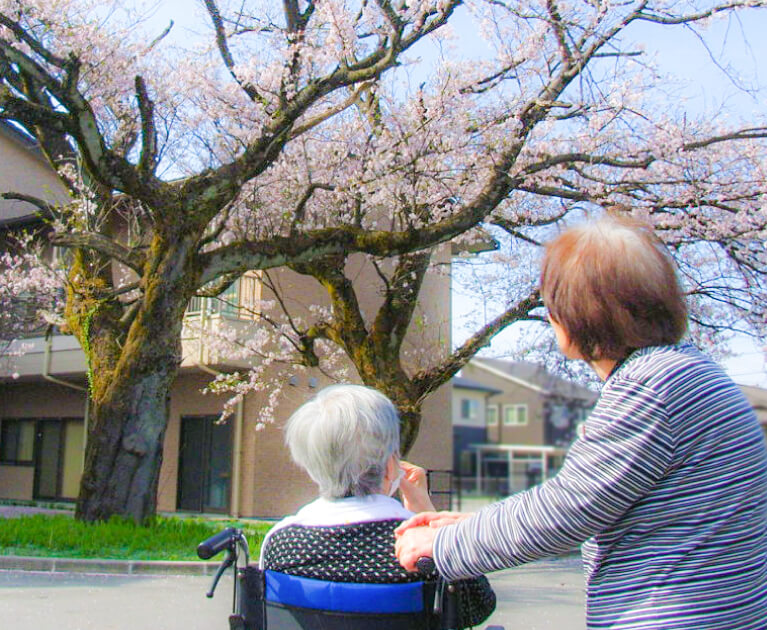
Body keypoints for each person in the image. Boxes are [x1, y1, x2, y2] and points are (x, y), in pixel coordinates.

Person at [395, 216, 767, 629]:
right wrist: (472, 523)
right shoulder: (688, 371)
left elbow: (570, 509)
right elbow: (600, 501)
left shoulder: (648, 387)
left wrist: (446, 545)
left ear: (576, 314)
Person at [259, 383, 495, 628]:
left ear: (311, 466)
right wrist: (426, 513)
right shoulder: (423, 544)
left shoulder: (280, 543)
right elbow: (477, 607)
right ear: (392, 466)